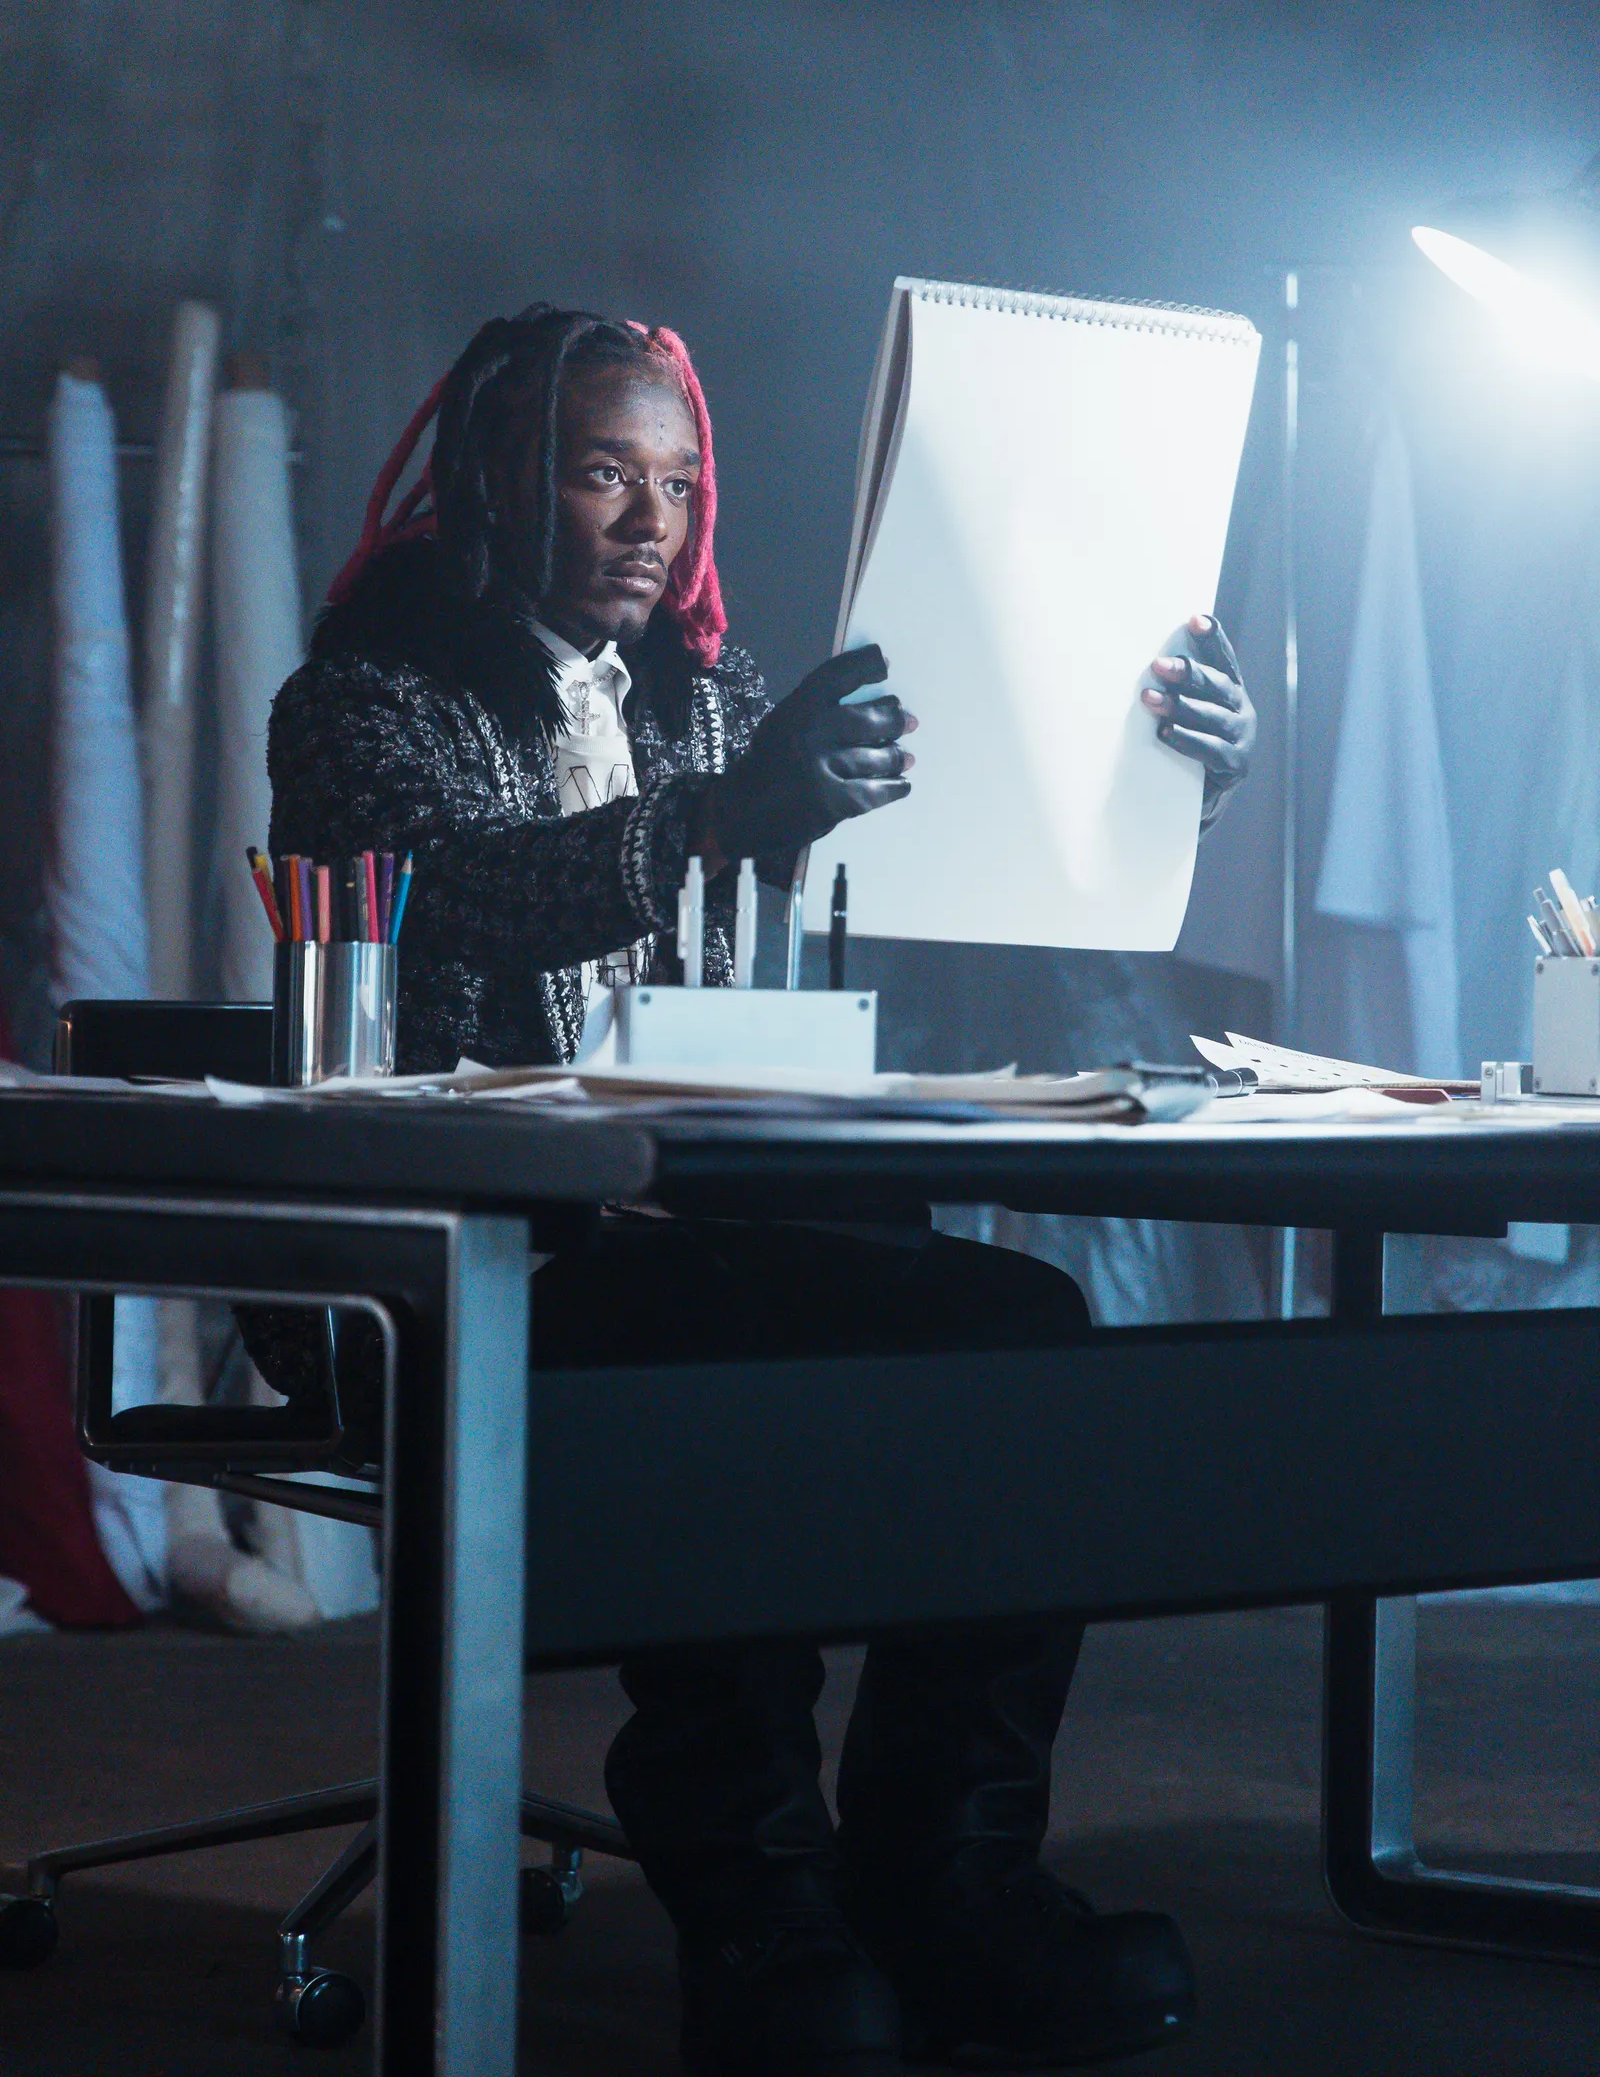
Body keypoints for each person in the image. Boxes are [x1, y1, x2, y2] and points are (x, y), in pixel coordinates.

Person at [267, 305, 1256, 2076]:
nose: (653, 519)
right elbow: (467, 896)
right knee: (712, 1367)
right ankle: (760, 1904)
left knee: (1028, 1329)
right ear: (503, 480)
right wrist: (723, 817)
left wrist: (1165, 777)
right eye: (599, 474)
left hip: (696, 1224)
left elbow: (946, 867)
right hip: (466, 1252)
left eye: (680, 479)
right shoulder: (360, 697)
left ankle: (949, 1875)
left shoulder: (710, 699)